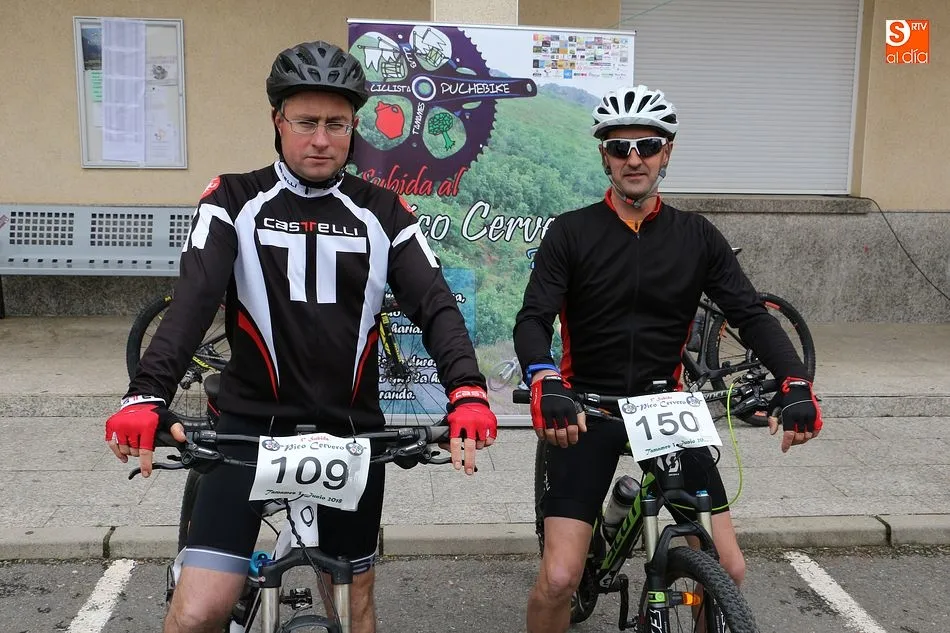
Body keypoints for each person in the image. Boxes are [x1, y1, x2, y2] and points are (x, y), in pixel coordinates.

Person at [104, 40, 497, 633]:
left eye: (336, 124)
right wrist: (145, 394)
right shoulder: (232, 198)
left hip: (351, 435)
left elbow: (435, 304)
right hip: (248, 429)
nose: (321, 139)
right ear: (277, 122)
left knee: (353, 611)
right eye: (306, 122)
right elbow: (194, 301)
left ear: (353, 128)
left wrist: (466, 391)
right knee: (195, 614)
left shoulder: (384, 210)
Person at [513, 83, 823, 632]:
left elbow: (750, 315)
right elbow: (533, 318)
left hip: (665, 407)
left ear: (667, 153)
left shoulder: (696, 235)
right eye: (620, 147)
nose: (634, 158)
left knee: (728, 569)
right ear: (604, 156)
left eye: (648, 146)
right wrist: (545, 379)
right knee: (559, 577)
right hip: (588, 406)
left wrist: (795, 383)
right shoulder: (571, 232)